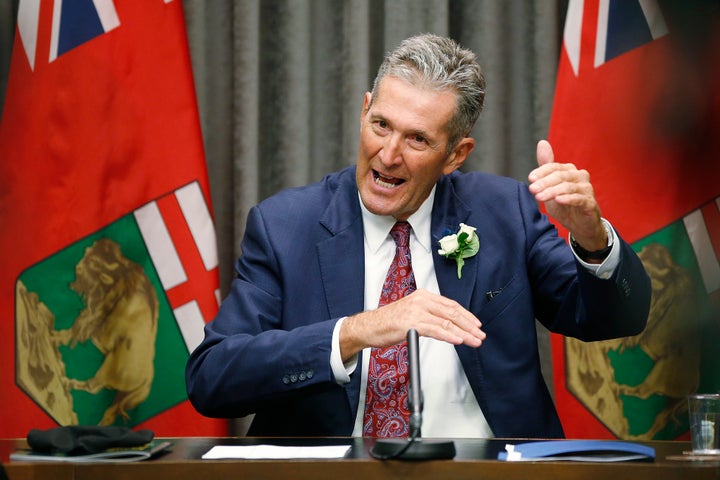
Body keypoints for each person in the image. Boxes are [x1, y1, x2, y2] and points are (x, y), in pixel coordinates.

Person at [186, 33, 651, 439]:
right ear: (364, 111)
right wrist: (355, 332)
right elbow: (213, 377)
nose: (387, 155)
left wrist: (592, 236)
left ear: (456, 154)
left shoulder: (503, 212)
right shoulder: (286, 226)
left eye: (417, 140)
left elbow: (613, 320)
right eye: (381, 125)